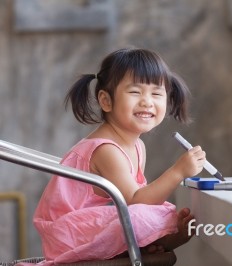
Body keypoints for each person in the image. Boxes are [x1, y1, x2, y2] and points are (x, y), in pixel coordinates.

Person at [33, 48, 205, 263]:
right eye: (135, 92)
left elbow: (141, 198)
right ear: (106, 101)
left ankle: (152, 243)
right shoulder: (107, 150)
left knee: (163, 212)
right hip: (67, 233)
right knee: (140, 215)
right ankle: (152, 243)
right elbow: (134, 201)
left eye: (156, 94)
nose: (147, 101)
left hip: (84, 227)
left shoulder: (137, 146)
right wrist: (179, 171)